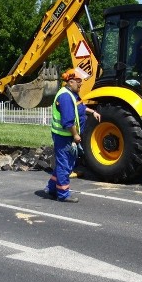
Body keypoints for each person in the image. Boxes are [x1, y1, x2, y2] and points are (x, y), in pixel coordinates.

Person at [44, 68, 86, 203]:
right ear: (71, 81)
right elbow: (68, 121)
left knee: (64, 164)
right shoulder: (66, 97)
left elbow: (78, 110)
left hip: (63, 136)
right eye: (79, 82)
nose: (81, 85)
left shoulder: (68, 94)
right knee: (65, 165)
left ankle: (51, 188)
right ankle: (63, 194)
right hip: (64, 137)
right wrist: (75, 135)